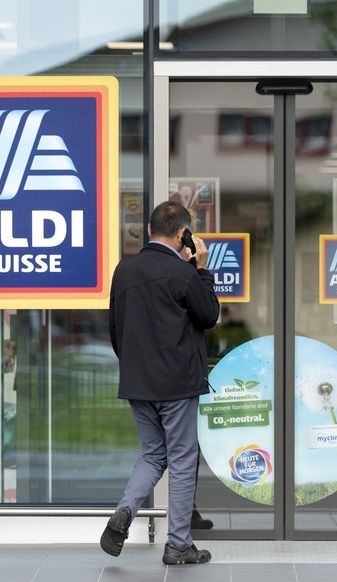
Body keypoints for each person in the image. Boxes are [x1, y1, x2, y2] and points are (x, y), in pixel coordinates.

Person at [101, 201, 220, 565]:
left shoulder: (124, 271)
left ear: (150, 229)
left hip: (138, 384)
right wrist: (201, 269)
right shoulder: (182, 272)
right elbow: (210, 314)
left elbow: (115, 330)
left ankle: (125, 510)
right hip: (177, 384)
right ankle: (179, 545)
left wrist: (136, 370)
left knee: (153, 455)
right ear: (183, 233)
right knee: (183, 460)